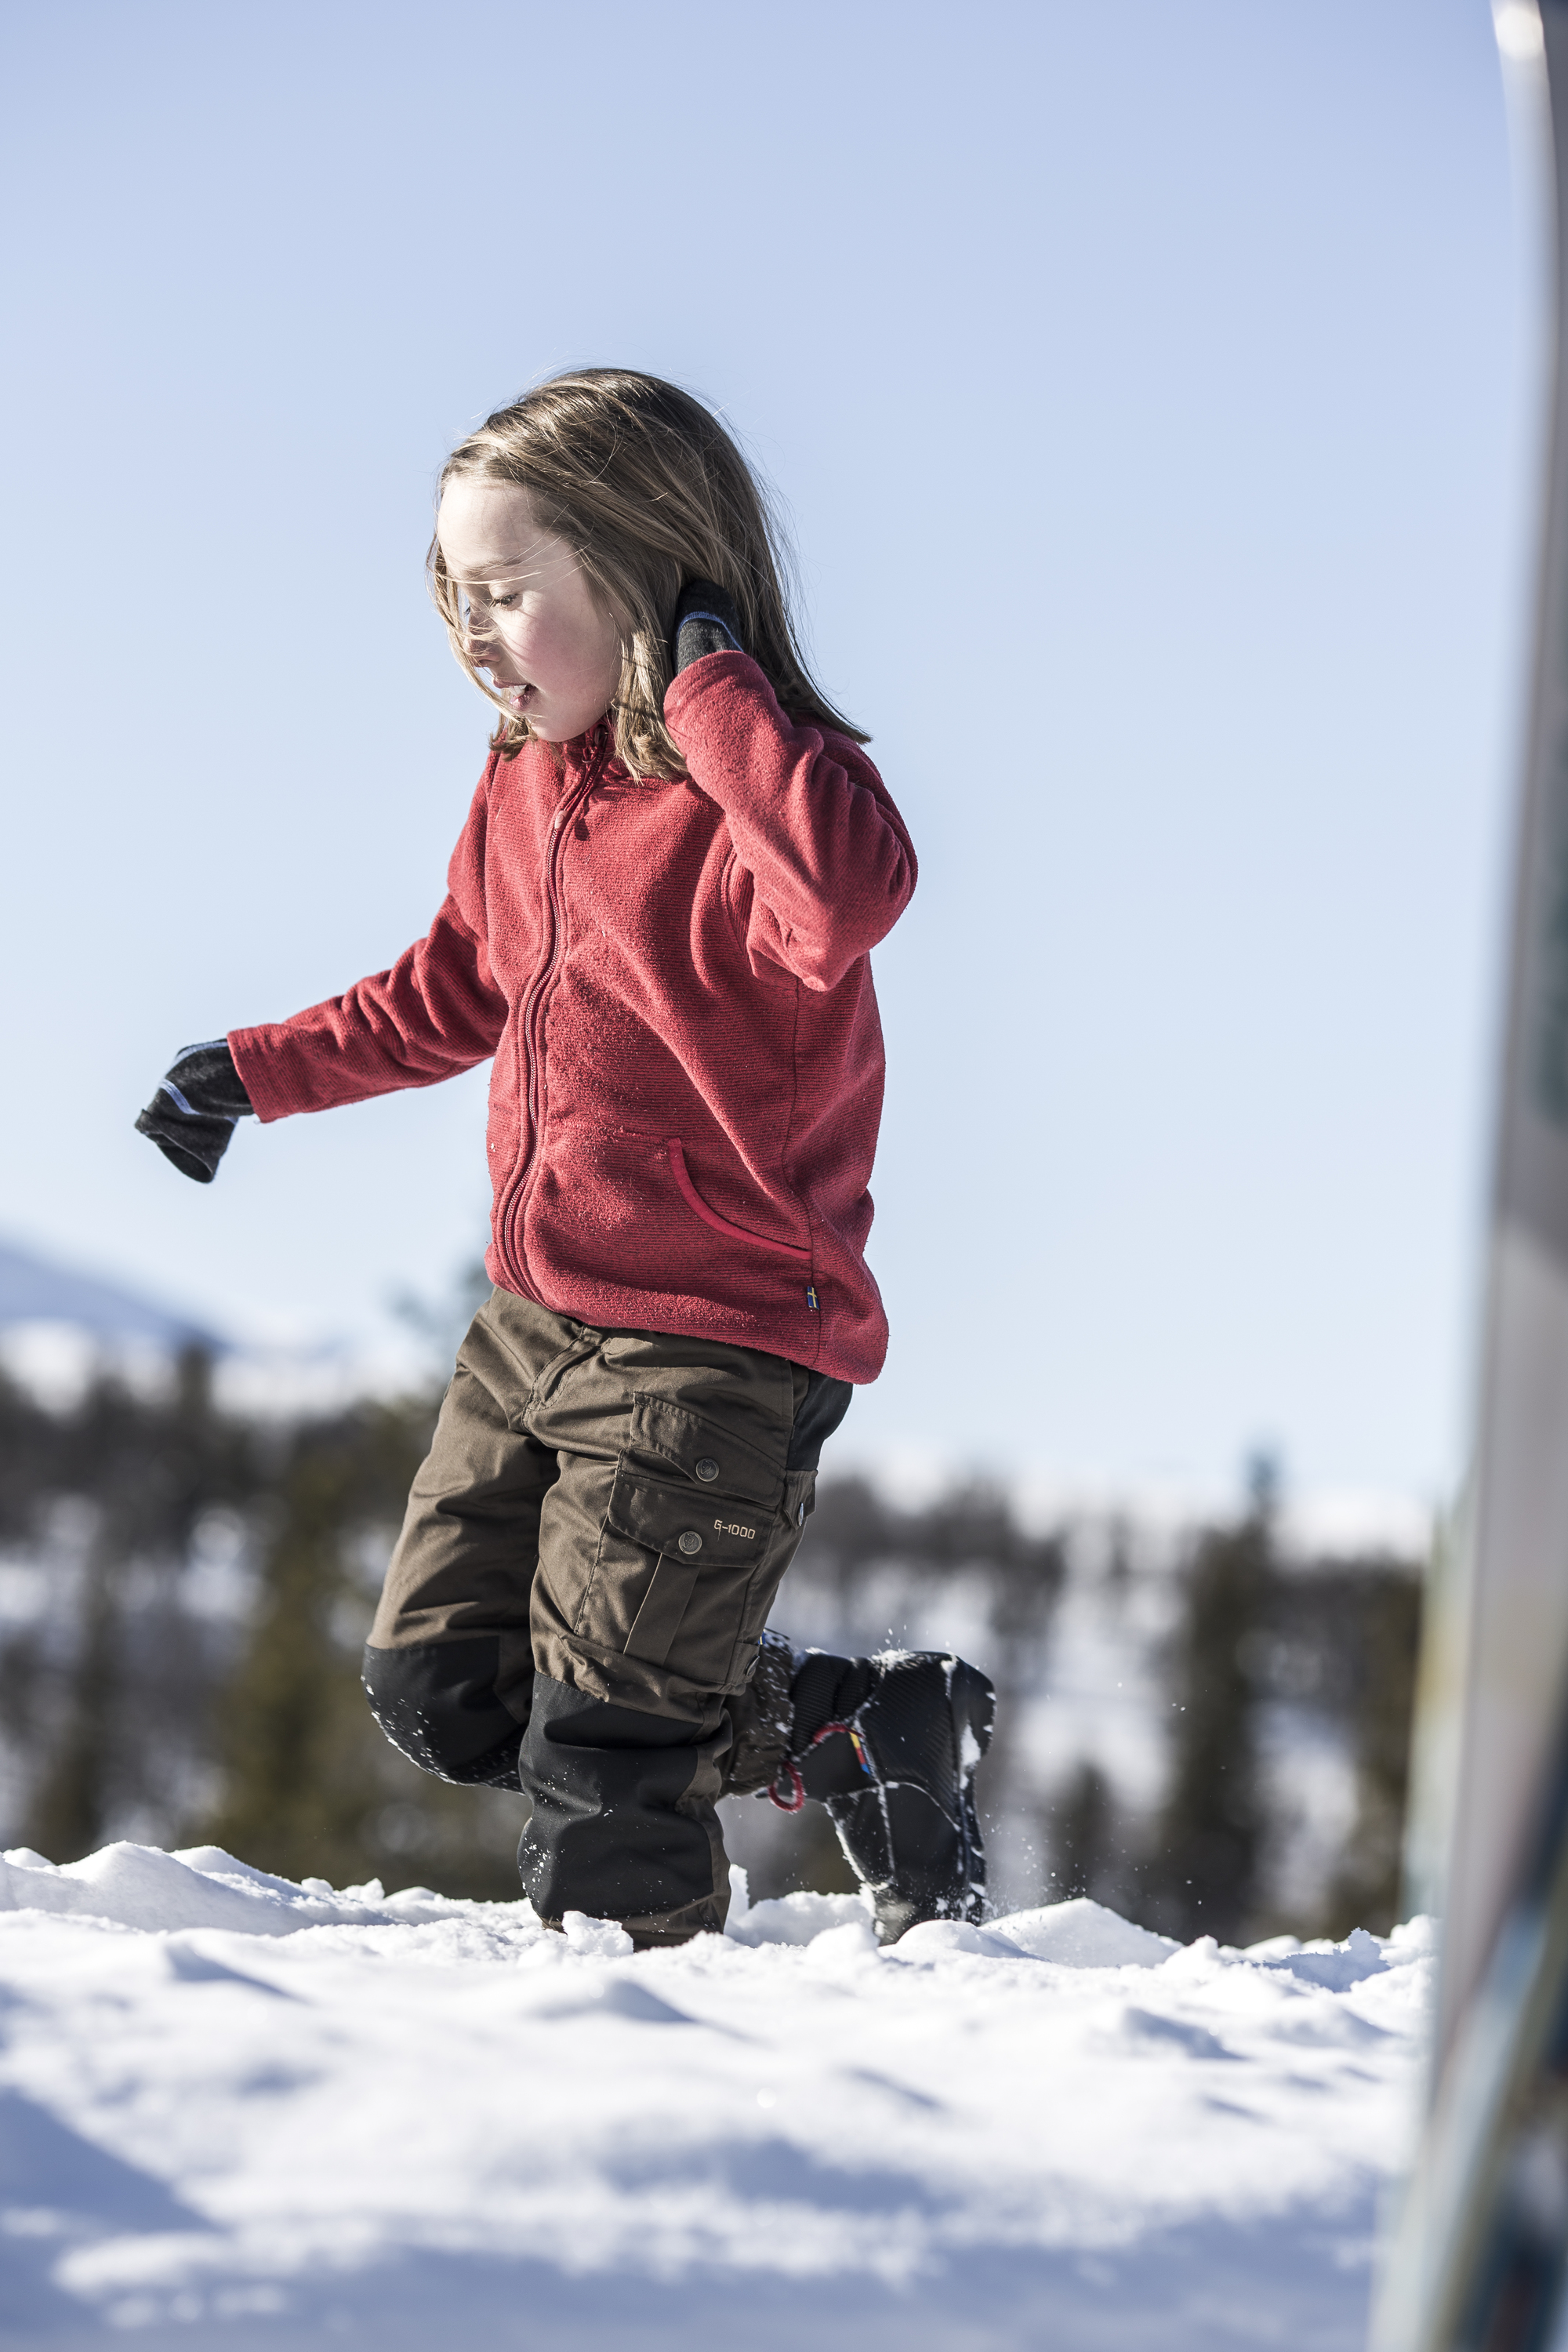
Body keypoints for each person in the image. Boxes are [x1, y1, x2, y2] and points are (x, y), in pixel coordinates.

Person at [136, 368, 994, 1947]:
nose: (472, 634)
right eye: (452, 595)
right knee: (443, 1685)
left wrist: (717, 686)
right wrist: (259, 1071)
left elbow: (854, 896)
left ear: (648, 571)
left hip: (711, 1347)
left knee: (605, 1769)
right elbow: (460, 982)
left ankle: (629, 2089)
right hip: (535, 1321)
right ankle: (839, 1726)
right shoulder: (523, 784)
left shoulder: (763, 797)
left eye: (508, 591)